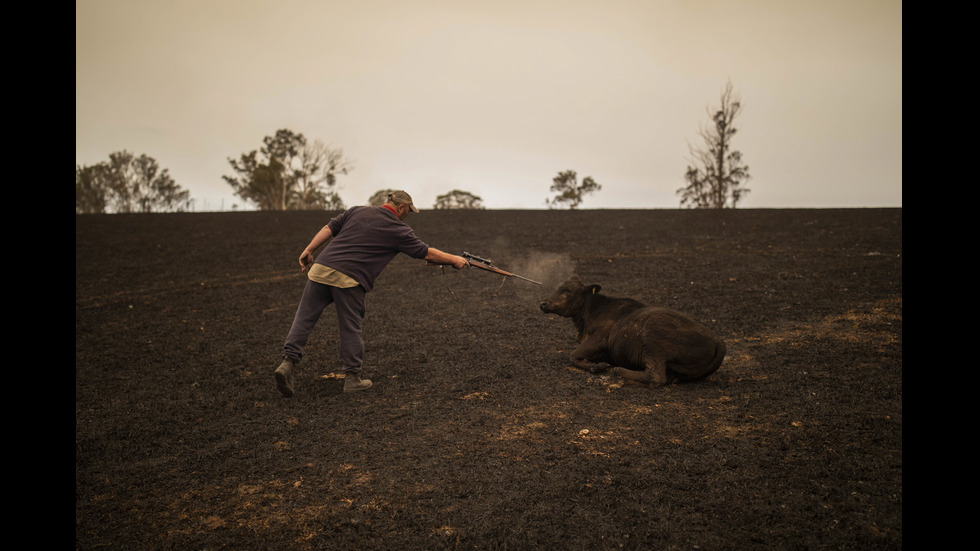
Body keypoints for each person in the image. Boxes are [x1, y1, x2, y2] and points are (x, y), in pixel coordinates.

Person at [274, 190, 468, 397]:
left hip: (320, 269)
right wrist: (455, 259)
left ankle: (287, 364)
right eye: (408, 211)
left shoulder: (357, 211)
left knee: (304, 319)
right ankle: (352, 378)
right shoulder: (397, 228)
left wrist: (309, 250)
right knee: (350, 327)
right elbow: (426, 252)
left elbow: (328, 228)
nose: (407, 215)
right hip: (349, 279)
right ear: (401, 208)